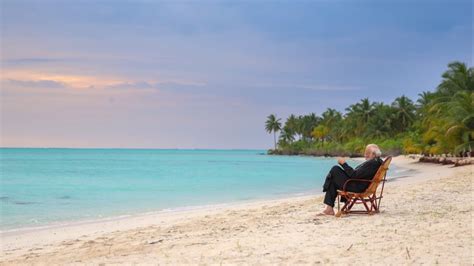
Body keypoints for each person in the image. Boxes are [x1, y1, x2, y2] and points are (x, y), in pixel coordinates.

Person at [319, 144, 383, 216]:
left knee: (335, 169)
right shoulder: (377, 162)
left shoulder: (372, 163)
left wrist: (344, 164)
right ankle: (329, 209)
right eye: (365, 153)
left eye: (367, 153)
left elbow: (354, 175)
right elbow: (358, 174)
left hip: (358, 187)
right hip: (360, 184)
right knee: (333, 179)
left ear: (374, 154)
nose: (365, 155)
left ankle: (329, 208)